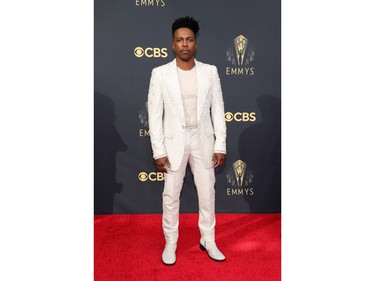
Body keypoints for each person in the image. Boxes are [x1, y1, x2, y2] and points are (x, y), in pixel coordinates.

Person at [147, 16, 227, 265]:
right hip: (173, 143)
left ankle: (208, 239)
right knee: (171, 196)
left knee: (207, 194)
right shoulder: (160, 74)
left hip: (202, 139)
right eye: (180, 40)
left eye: (189, 39)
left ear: (195, 44)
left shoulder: (210, 72)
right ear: (172, 44)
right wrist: (158, 150)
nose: (184, 44)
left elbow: (218, 111)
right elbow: (154, 115)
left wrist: (220, 144)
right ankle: (171, 242)